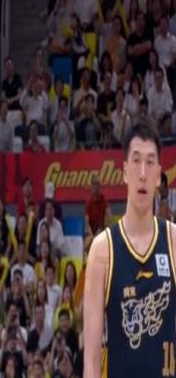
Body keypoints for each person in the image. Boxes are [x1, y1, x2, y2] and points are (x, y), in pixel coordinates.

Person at [84, 123, 176, 377]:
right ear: (125, 171)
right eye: (136, 161)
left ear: (158, 175)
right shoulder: (102, 250)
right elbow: (91, 359)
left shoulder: (172, 241)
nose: (142, 173)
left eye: (150, 162)